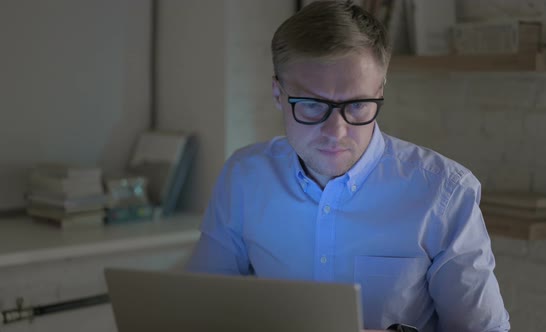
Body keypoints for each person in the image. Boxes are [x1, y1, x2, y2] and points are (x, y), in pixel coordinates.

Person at [187, 1, 511, 331]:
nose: (336, 132)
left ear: (379, 91)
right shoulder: (244, 178)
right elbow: (198, 309)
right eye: (313, 105)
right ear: (277, 93)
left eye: (357, 105)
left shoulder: (445, 194)